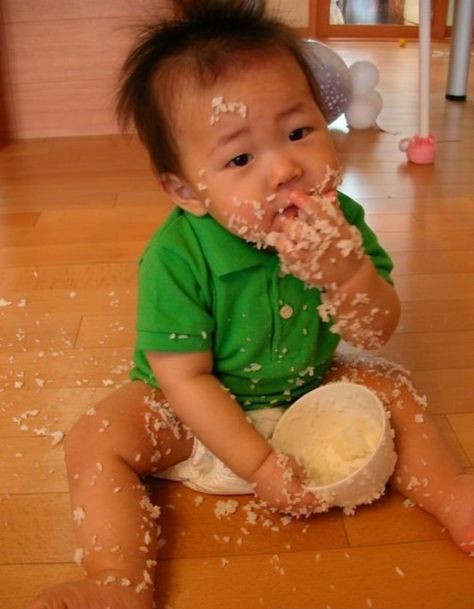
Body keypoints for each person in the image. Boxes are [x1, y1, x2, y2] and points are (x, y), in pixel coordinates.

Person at [29, 1, 474, 608]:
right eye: (240, 159)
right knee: (95, 437)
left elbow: (375, 331)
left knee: (396, 387)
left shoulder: (341, 222)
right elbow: (183, 378)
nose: (285, 168)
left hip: (307, 389)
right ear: (185, 190)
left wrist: (347, 273)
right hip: (193, 414)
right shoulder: (175, 257)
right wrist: (258, 462)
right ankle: (115, 577)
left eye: (299, 132)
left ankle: (457, 497)